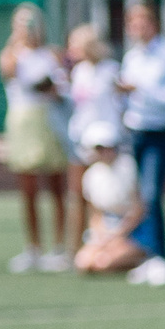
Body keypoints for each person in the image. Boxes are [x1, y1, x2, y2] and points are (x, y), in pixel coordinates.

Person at [115, 0, 165, 286]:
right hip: (133, 131)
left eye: (141, 22)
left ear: (154, 23)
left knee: (152, 194)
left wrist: (141, 89)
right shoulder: (132, 56)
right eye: (132, 23)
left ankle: (161, 256)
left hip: (157, 131)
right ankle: (144, 256)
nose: (136, 28)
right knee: (137, 198)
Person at [0, 5, 75, 272]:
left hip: (49, 119)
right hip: (23, 121)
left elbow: (62, 83)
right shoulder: (12, 54)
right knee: (28, 189)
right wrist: (16, 42)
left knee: (56, 186)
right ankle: (32, 247)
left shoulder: (51, 54)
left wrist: (52, 88)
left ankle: (58, 247)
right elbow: (8, 71)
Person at [72, 123, 155, 276]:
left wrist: (117, 235)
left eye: (108, 147)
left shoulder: (128, 167)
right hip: (107, 230)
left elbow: (139, 210)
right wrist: (101, 235)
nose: (105, 152)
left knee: (103, 263)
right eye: (99, 148)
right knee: (83, 263)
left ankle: (143, 260)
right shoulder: (91, 175)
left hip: (132, 232)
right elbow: (95, 214)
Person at [64, 26, 118, 257]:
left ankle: (106, 246)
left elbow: (116, 106)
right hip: (81, 140)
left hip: (104, 143)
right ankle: (75, 249)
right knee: (78, 195)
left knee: (106, 196)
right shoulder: (79, 72)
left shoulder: (110, 70)